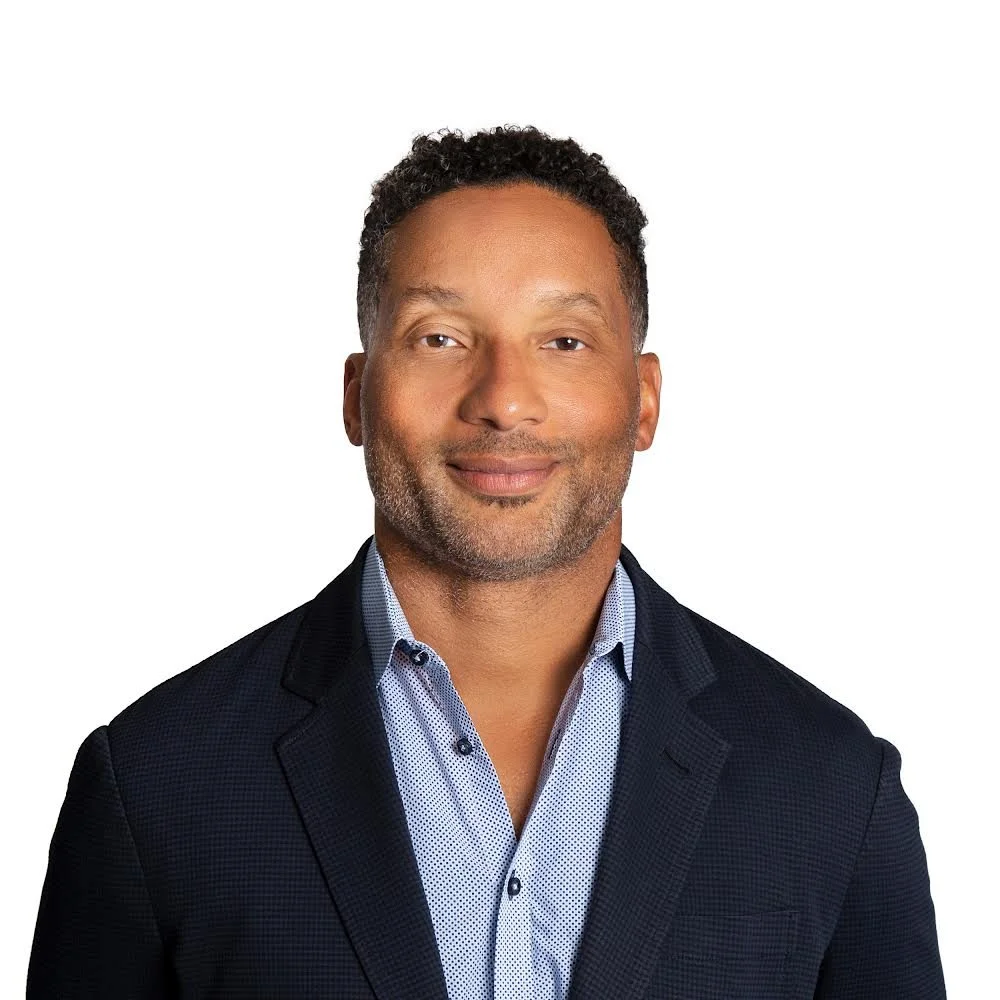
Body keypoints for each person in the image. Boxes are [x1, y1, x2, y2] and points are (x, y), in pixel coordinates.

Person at [27, 125, 946, 999]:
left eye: (564, 341)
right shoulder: (154, 786)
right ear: (356, 396)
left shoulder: (830, 790)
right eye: (440, 338)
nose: (503, 399)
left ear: (645, 400)